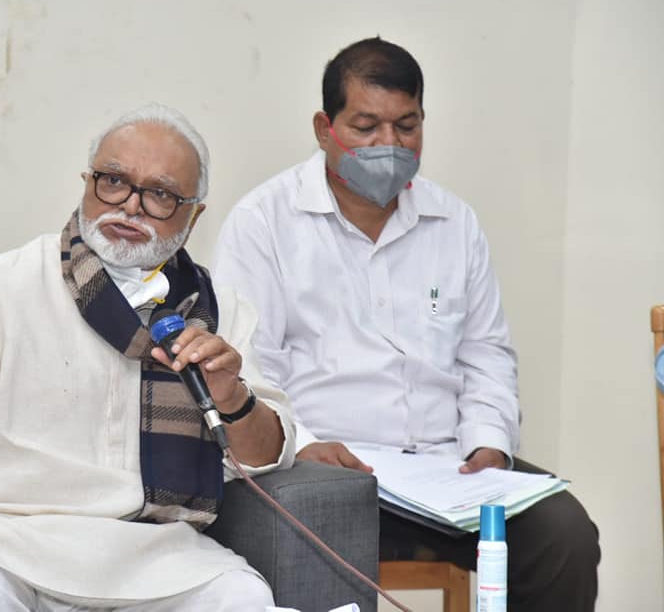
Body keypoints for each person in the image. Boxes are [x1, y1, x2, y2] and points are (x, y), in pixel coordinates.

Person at [0, 103, 296, 612]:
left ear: (194, 214)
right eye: (114, 181)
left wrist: (232, 398)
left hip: (150, 554)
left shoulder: (217, 310)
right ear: (87, 183)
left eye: (159, 194)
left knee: (242, 596)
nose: (130, 207)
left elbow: (265, 453)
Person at [212, 37, 600, 611]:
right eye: (366, 126)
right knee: (315, 516)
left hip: (446, 469)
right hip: (325, 468)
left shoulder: (454, 222)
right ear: (324, 128)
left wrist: (490, 442)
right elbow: (248, 365)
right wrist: (307, 445)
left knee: (564, 533)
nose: (389, 144)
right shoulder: (264, 223)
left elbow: (486, 353)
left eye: (407, 125)